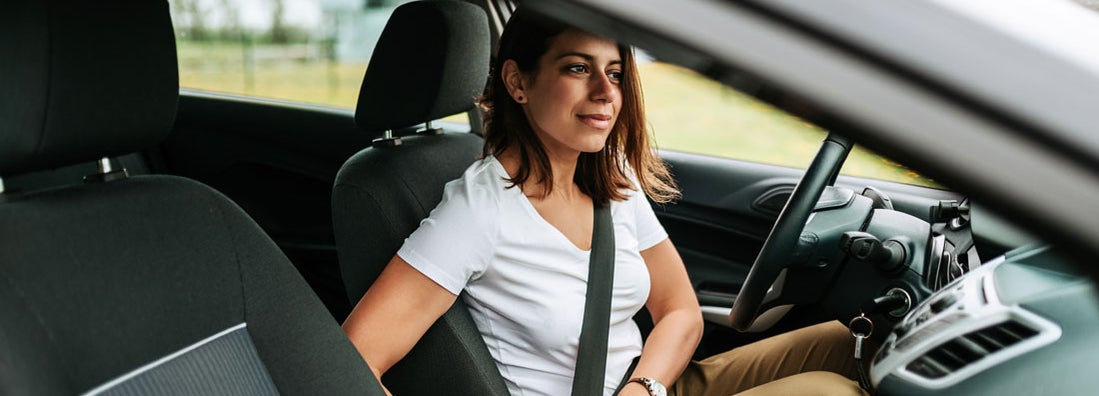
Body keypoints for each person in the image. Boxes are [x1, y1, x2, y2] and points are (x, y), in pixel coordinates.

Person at [342, 7, 868, 396]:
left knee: (848, 343)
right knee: (830, 392)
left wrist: (645, 388)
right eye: (577, 68)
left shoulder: (611, 177)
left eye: (614, 73)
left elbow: (680, 310)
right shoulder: (479, 210)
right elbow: (354, 357)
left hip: (652, 384)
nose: (605, 92)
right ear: (517, 82)